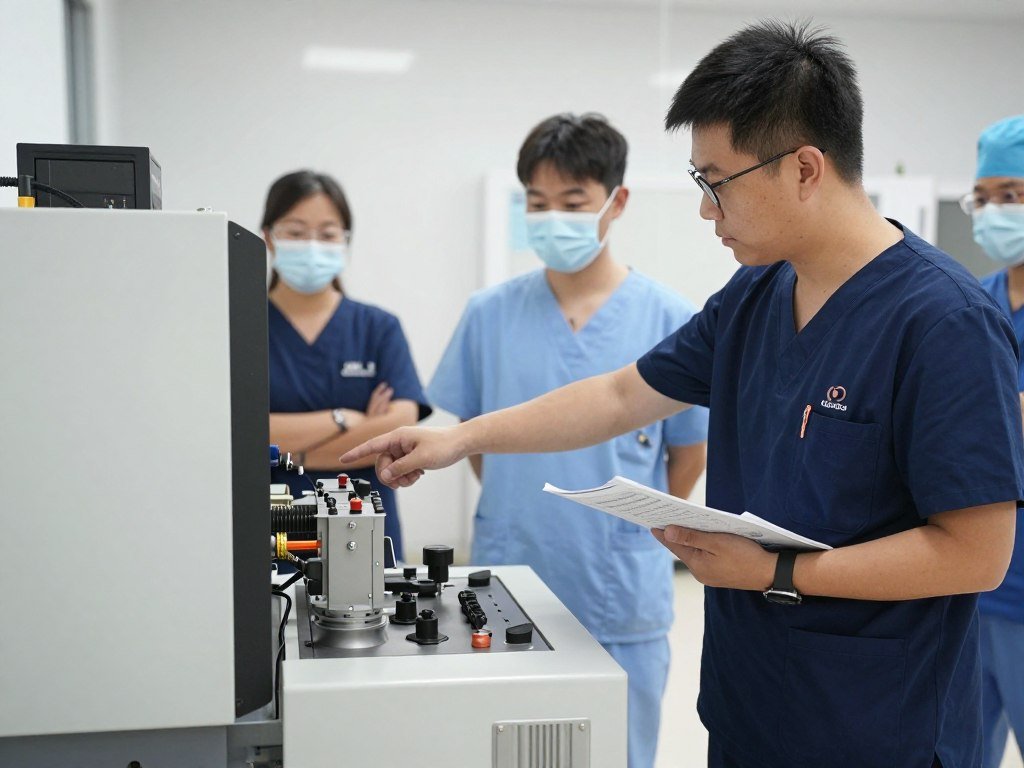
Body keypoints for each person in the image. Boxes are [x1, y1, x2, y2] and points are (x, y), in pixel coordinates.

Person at [343, 21, 1024, 768]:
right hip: (751, 708)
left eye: (716, 182)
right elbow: (617, 396)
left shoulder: (945, 322)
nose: (706, 210)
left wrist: (776, 571)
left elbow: (976, 555)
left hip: (879, 728)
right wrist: (460, 440)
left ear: (803, 168)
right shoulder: (757, 295)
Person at [426, 113, 708, 768]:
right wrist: (520, 503)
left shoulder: (671, 318)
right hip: (511, 570)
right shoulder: (488, 314)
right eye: (537, 203)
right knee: (506, 750)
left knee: (619, 753)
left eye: (573, 203)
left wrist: (629, 531)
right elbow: (473, 443)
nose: (552, 219)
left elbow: (687, 452)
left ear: (617, 201)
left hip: (619, 588)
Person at [264, 170, 431, 563]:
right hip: (271, 524)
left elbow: (400, 424)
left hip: (365, 523)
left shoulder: (378, 327)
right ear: (268, 236)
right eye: (296, 231)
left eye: (327, 233)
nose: (312, 245)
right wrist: (347, 419)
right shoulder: (239, 324)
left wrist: (290, 455)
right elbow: (238, 431)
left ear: (345, 241)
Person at [967, 115, 1024, 768]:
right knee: (958, 751)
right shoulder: (975, 301)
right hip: (970, 580)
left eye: (1011, 195)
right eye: (983, 198)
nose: (992, 212)